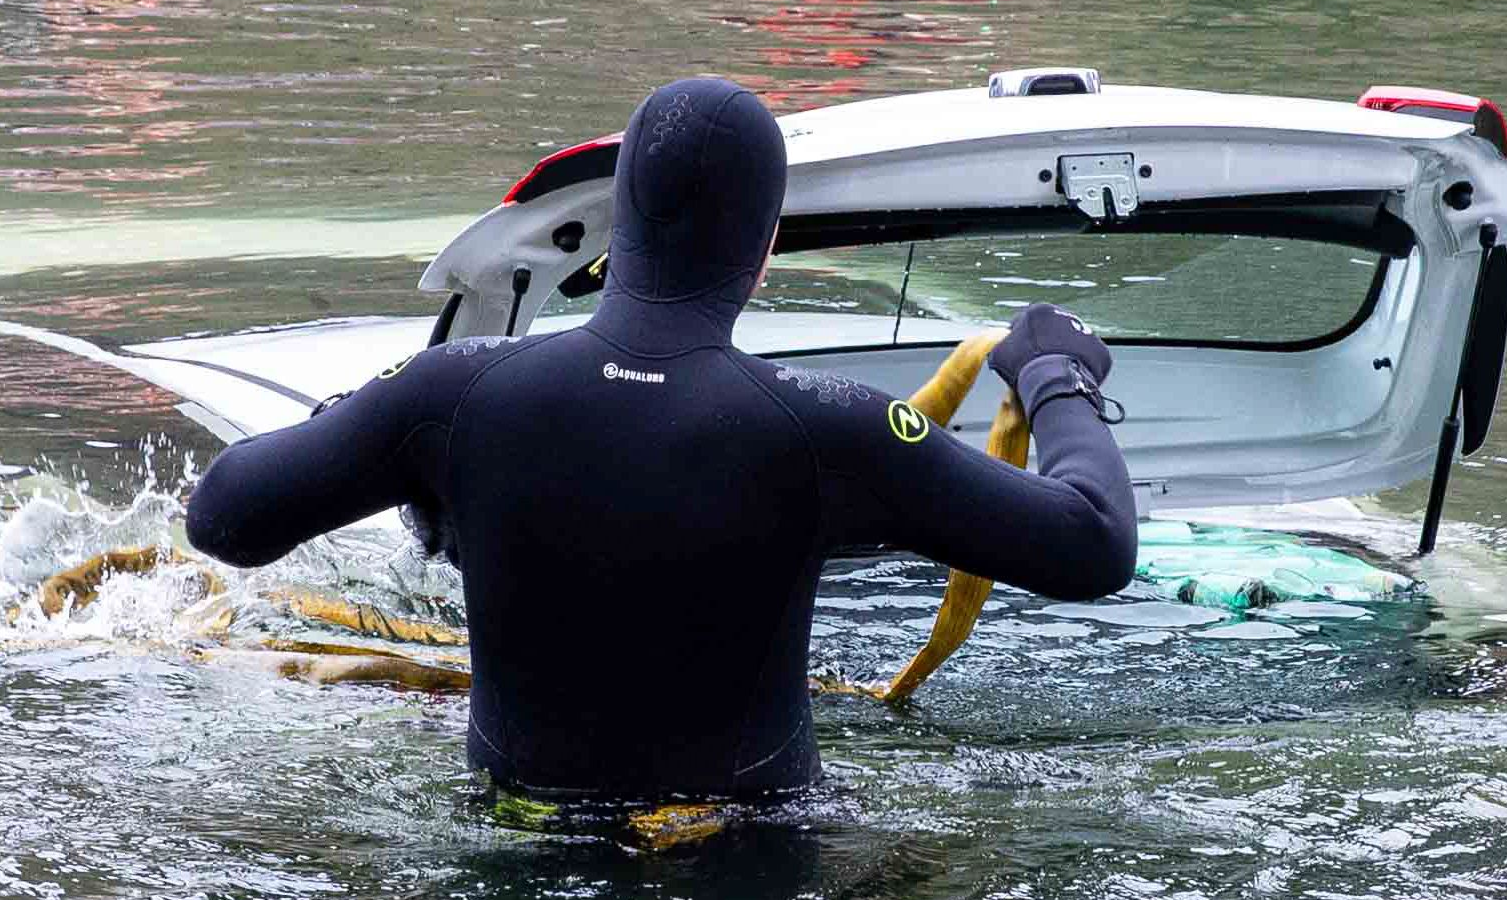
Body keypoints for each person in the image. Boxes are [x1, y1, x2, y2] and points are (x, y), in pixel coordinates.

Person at [181, 75, 1141, 814]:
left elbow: (224, 516)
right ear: (763, 249)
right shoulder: (827, 427)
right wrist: (1054, 373)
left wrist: (371, 426)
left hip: (512, 855)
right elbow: (1092, 542)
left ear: (618, 225)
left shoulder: (459, 393)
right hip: (753, 883)